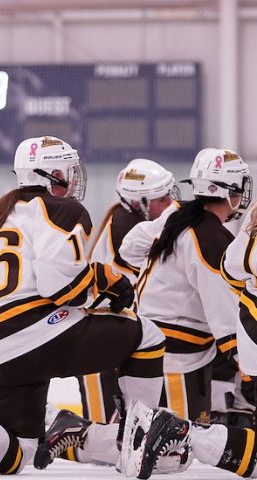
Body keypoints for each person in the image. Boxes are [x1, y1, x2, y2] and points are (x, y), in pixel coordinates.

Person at [0, 135, 166, 476]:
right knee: (148, 335)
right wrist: (105, 279)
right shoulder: (61, 209)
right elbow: (61, 286)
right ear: (51, 174)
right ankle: (140, 439)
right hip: (34, 335)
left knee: (20, 450)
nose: (72, 180)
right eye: (67, 171)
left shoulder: (0, 215)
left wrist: (96, 278)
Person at [119, 147, 257, 479]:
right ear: (230, 191)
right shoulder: (211, 236)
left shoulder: (176, 215)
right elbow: (224, 311)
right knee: (176, 453)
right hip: (178, 351)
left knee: (143, 442)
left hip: (142, 335)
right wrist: (247, 367)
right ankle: (219, 417)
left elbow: (130, 248)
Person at [80, 158, 178, 424]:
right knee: (107, 439)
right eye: (162, 198)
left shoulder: (124, 218)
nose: (169, 203)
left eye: (170, 195)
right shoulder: (128, 227)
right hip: (99, 343)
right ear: (139, 203)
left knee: (125, 435)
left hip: (111, 336)